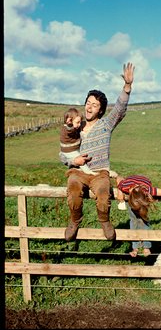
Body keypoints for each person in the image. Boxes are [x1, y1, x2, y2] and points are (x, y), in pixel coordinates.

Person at [59, 62, 135, 242]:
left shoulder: (105, 125)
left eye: (94, 105)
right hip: (78, 171)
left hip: (99, 173)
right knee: (73, 186)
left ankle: (105, 221)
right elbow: (63, 152)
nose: (89, 107)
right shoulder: (75, 127)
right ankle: (75, 221)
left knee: (103, 191)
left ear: (100, 109)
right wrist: (73, 161)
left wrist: (127, 86)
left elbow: (119, 109)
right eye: (88, 103)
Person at [113, 173, 161, 257]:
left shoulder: (148, 190)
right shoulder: (125, 186)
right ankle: (135, 248)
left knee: (144, 220)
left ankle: (146, 246)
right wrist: (119, 191)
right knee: (134, 220)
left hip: (143, 185)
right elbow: (119, 177)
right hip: (131, 187)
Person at [59, 107, 97, 175]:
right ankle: (88, 172)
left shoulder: (73, 127)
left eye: (80, 122)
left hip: (71, 149)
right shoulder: (67, 128)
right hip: (69, 150)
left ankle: (78, 169)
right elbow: (70, 129)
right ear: (69, 121)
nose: (79, 124)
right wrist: (69, 124)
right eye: (77, 122)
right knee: (80, 159)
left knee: (80, 155)